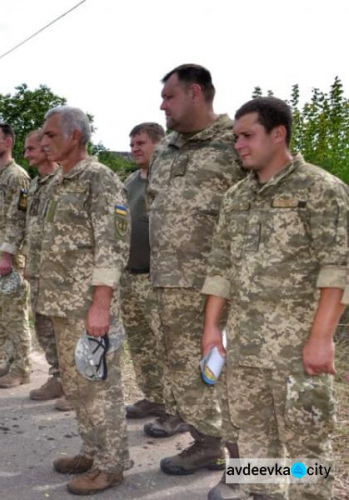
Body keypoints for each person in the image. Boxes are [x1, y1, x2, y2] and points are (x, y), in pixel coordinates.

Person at [202, 97, 348, 500]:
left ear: (278, 133)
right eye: (235, 138)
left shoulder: (321, 189)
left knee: (307, 451)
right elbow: (220, 269)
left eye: (247, 136)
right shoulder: (236, 197)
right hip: (245, 346)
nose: (238, 145)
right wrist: (212, 329)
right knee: (252, 441)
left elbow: (337, 268)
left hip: (296, 350)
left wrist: (321, 339)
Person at [146, 65, 244, 485]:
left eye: (169, 97)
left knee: (233, 379)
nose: (162, 105)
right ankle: (208, 444)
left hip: (219, 290)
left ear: (196, 93)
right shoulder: (166, 147)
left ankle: (248, 471)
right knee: (188, 377)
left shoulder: (236, 142)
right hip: (168, 285)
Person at [36, 106, 131, 495]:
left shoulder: (99, 179)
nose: (44, 141)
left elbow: (113, 244)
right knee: (78, 388)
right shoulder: (59, 182)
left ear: (75, 136)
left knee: (99, 387)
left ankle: (111, 465)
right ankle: (92, 451)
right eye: (42, 135)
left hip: (88, 306)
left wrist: (101, 305)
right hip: (61, 304)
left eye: (51, 135)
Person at [0, 123, 32, 387]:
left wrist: (7, 255)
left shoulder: (17, 177)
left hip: (6, 260)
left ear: (8, 142)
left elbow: (18, 218)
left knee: (14, 313)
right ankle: (8, 361)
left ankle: (22, 367)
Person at [122, 123, 168, 419]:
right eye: (132, 144)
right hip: (129, 276)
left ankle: (177, 409)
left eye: (141, 143)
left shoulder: (167, 179)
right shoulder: (129, 182)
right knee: (140, 344)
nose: (135, 149)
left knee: (167, 346)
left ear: (159, 144)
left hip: (157, 278)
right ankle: (153, 396)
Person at [21, 129, 66, 409]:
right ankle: (58, 377)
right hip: (37, 269)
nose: (26, 155)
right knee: (44, 327)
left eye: (31, 149)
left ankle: (76, 387)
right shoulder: (35, 185)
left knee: (65, 331)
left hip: (60, 272)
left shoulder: (62, 181)